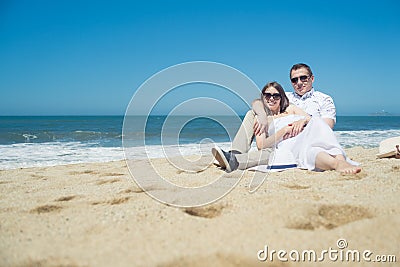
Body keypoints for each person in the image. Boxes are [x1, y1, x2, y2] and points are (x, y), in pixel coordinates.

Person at [212, 63, 337, 172]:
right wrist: (261, 115)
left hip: (302, 140)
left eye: (303, 78)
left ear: (312, 78)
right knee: (252, 113)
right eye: (294, 80)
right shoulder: (285, 96)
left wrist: (304, 120)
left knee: (275, 150)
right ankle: (235, 153)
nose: (299, 82)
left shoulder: (323, 99)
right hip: (280, 133)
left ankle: (236, 160)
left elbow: (326, 127)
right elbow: (257, 102)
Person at [254, 81, 361, 174]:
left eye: (276, 96)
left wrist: (303, 120)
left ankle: (340, 161)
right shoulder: (262, 118)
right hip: (289, 144)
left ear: (281, 98)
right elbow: (261, 145)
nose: (271, 98)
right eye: (268, 95)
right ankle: (337, 164)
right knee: (310, 151)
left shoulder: (291, 108)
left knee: (317, 125)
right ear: (263, 97)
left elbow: (310, 119)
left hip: (307, 136)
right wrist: (284, 130)